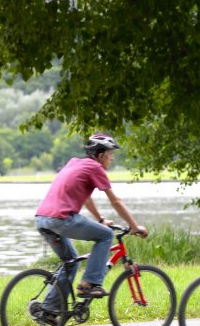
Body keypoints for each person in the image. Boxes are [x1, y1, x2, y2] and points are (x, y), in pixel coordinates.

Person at [35, 134, 147, 316]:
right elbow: (116, 201)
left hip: (43, 219)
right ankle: (89, 284)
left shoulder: (74, 163)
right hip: (63, 218)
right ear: (101, 155)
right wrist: (134, 226)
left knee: (70, 262)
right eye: (111, 154)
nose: (113, 158)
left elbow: (85, 197)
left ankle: (49, 310)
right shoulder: (95, 168)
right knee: (106, 235)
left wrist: (100, 220)